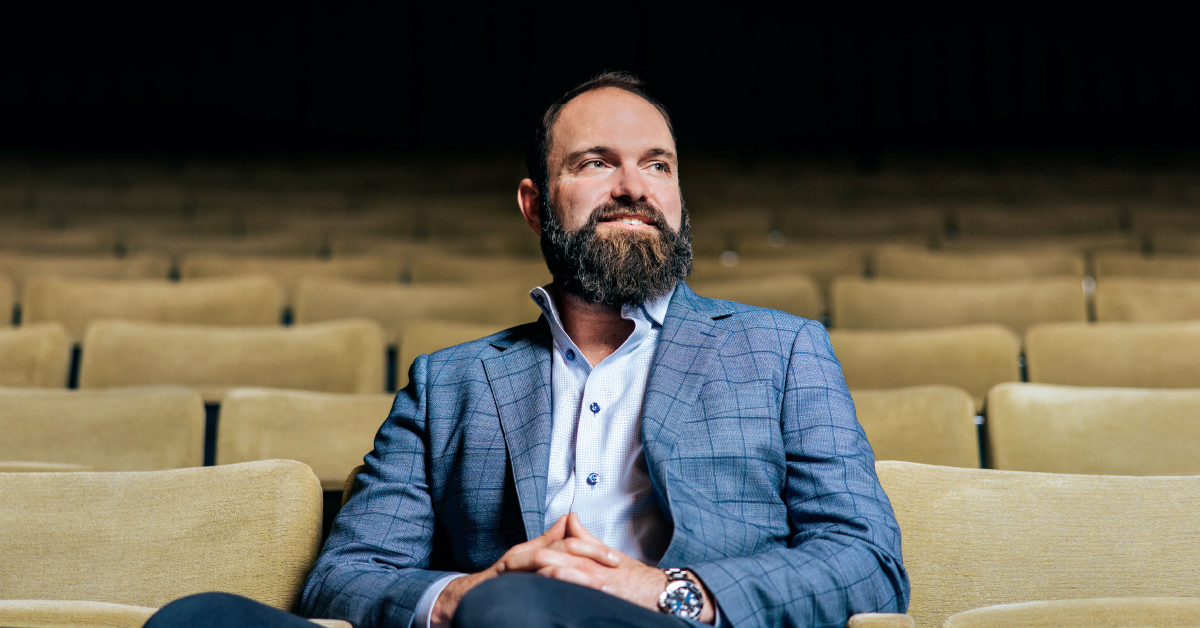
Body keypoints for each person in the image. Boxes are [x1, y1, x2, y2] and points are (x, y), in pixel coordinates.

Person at [146, 71, 908, 628]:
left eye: (657, 164)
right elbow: (346, 577)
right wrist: (462, 594)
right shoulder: (449, 383)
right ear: (535, 204)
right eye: (596, 162)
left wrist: (667, 590)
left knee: (517, 608)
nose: (634, 186)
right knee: (200, 618)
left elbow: (867, 561)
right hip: (494, 619)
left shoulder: (781, 351)